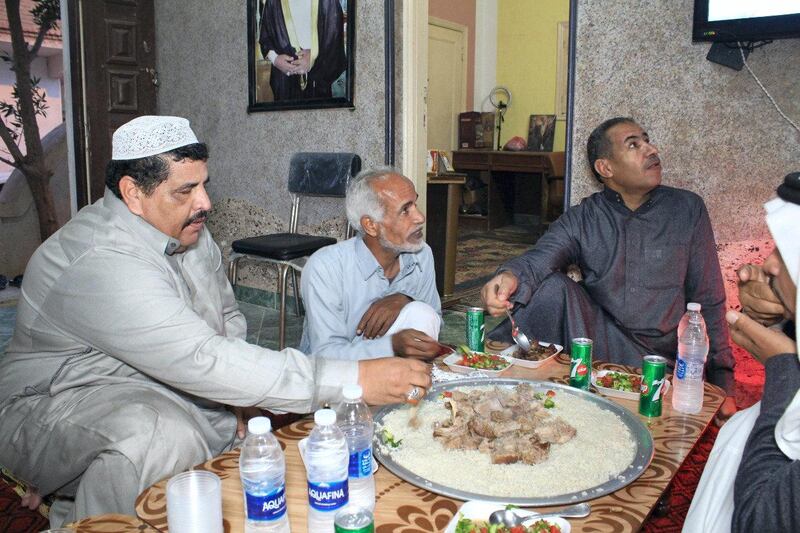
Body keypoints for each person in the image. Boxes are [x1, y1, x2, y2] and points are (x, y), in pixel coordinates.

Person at [0, 116, 431, 526]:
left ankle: (83, 497)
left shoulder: (190, 231)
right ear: (133, 193)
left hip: (148, 377)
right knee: (162, 437)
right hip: (54, 401)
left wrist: (238, 399)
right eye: (185, 190)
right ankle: (90, 522)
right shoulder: (101, 258)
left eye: (204, 185)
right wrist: (354, 378)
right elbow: (202, 359)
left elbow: (226, 317)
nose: (204, 203)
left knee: (240, 426)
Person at [481, 117, 736, 416]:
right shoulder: (585, 217)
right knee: (552, 287)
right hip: (599, 343)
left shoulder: (687, 209)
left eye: (647, 140)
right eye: (634, 145)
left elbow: (708, 297)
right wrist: (509, 276)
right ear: (606, 169)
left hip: (662, 361)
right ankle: (492, 377)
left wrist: (723, 385)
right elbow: (541, 257)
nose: (651, 150)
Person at [684, 173, 799, 533]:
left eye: (787, 250)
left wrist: (782, 364)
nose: (771, 264)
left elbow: (759, 519)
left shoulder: (685, 209)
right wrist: (780, 316)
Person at [299, 167, 443, 360]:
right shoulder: (325, 267)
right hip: (333, 377)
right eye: (405, 210)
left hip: (394, 371)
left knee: (422, 313)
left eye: (415, 204)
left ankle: (406, 386)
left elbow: (435, 320)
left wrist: (406, 299)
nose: (420, 217)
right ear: (371, 225)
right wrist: (392, 346)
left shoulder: (421, 254)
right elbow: (325, 355)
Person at [258, 0, 346, 101]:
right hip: (284, 78)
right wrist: (275, 59)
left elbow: (334, 36)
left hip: (318, 76)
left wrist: (313, 56)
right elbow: (265, 36)